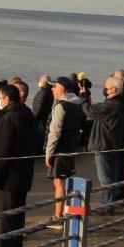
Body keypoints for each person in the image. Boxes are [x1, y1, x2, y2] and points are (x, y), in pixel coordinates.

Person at [0, 84, 40, 247]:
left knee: (3, 216)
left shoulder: (8, 119)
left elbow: (0, 151)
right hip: (23, 173)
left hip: (7, 177)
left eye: (0, 98)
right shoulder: (27, 114)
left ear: (7, 98)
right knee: (17, 214)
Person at [82, 77, 124, 205]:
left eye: (107, 87)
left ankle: (107, 204)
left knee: (105, 177)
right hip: (112, 143)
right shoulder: (121, 103)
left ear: (113, 90)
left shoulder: (110, 105)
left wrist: (83, 98)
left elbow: (90, 111)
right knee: (111, 174)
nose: (105, 89)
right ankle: (111, 201)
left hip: (103, 144)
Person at [44, 76, 84, 225]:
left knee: (59, 184)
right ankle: (65, 213)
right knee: (66, 182)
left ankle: (58, 217)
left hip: (60, 150)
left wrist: (48, 153)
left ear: (62, 88)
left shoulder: (61, 106)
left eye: (54, 86)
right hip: (71, 147)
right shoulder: (77, 104)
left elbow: (54, 132)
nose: (52, 89)